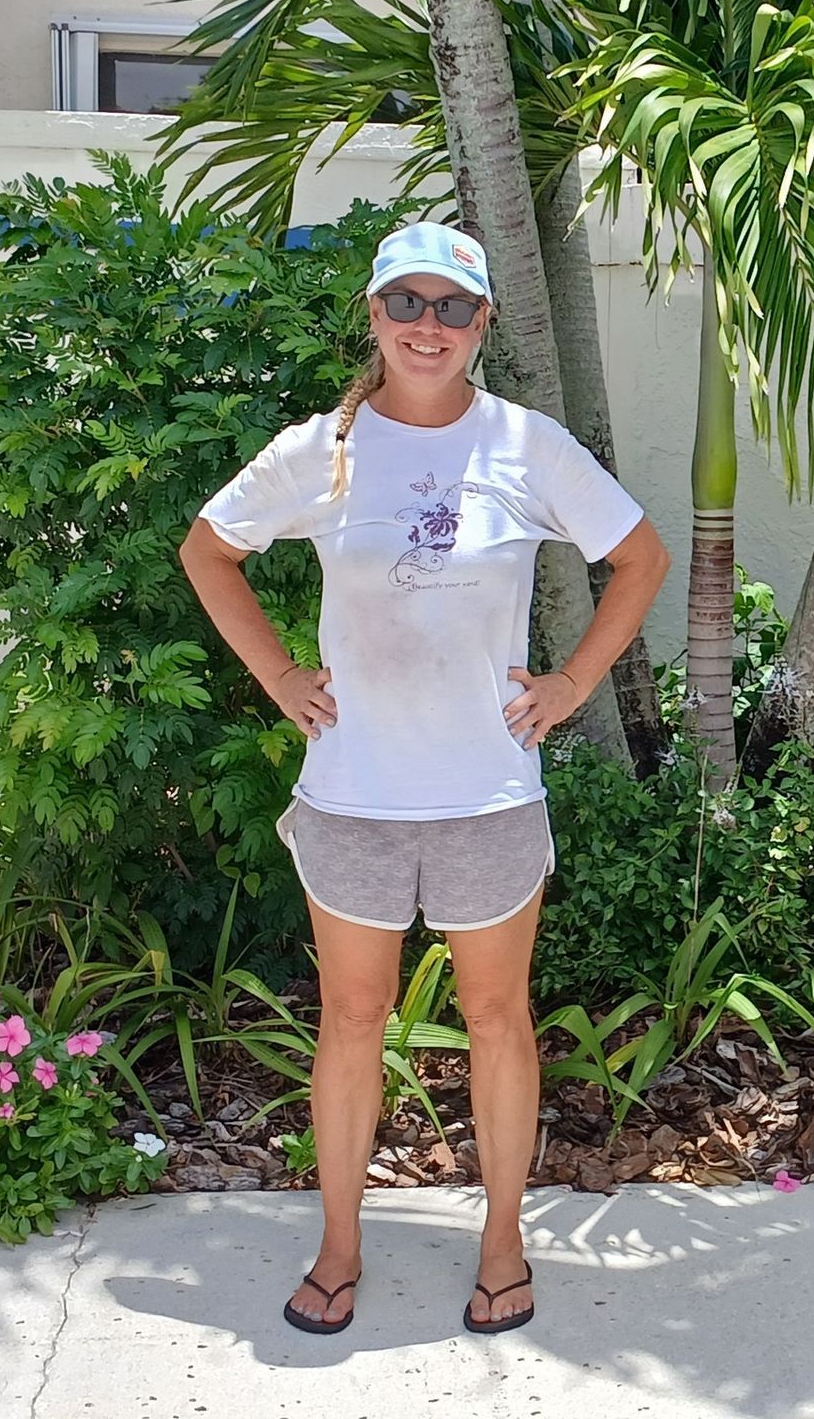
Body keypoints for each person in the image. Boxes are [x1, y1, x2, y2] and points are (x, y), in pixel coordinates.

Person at [180, 220, 670, 1337]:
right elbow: (211, 551)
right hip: (353, 792)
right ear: (374, 317)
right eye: (406, 304)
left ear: (483, 322)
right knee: (351, 1022)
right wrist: (277, 673)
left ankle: (503, 1244)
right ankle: (340, 1247)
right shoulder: (324, 450)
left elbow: (638, 557)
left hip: (487, 796)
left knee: (499, 1019)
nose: (428, 327)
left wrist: (572, 683)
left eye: (452, 306)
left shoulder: (527, 446)